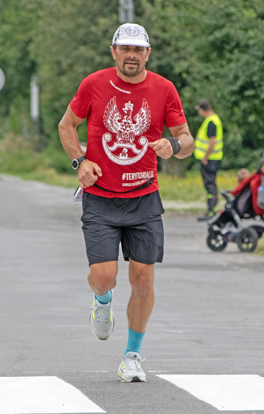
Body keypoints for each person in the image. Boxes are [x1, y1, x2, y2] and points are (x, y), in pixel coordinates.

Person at [58, 23, 194, 383]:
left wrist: (174, 146)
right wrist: (80, 162)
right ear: (113, 51)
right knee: (105, 277)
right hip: (101, 199)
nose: (131, 55)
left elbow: (186, 138)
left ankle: (132, 355)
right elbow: (67, 125)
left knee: (144, 281)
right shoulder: (94, 84)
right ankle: (102, 302)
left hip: (144, 198)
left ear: (147, 54)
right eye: (125, 48)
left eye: (138, 49)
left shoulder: (164, 89)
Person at [194, 99, 224, 221]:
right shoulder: (214, 119)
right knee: (211, 184)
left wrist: (205, 156)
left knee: (210, 185)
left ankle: (212, 211)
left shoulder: (211, 122)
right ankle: (212, 209)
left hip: (210, 159)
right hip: (214, 158)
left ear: (202, 109)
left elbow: (213, 141)